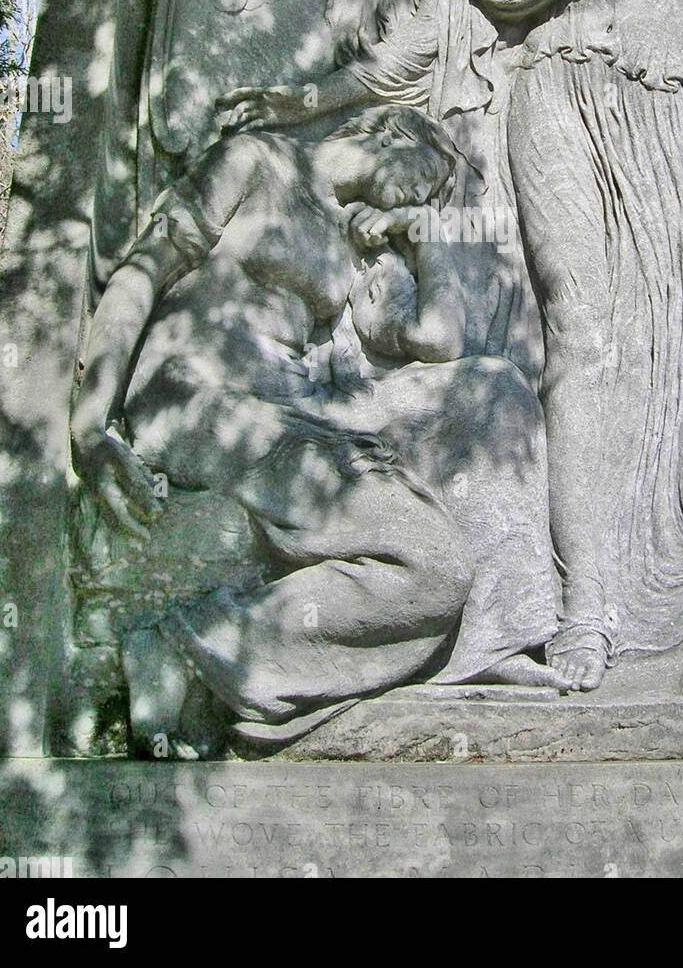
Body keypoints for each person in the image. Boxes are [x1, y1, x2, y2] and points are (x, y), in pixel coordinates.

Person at [215, 0, 683, 692]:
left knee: (602, 341)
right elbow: (406, 56)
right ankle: (543, 607)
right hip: (533, 117)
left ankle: (597, 602)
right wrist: (297, 101)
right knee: (545, 345)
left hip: (621, 99)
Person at [72, 104, 560, 757]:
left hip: (302, 409)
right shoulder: (256, 159)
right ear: (389, 134)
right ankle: (179, 653)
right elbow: (142, 271)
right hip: (198, 396)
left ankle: (500, 636)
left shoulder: (355, 239)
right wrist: (90, 422)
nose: (421, 194)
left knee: (497, 389)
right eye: (422, 178)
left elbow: (440, 343)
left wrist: (427, 234)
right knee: (433, 565)